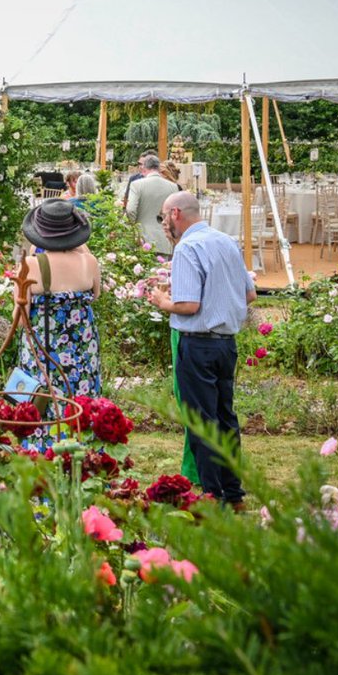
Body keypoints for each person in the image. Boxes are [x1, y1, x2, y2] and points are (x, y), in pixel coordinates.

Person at [147, 191, 257, 509]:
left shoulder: (187, 247)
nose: (164, 223)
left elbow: (188, 305)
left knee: (201, 423)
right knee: (225, 418)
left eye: (163, 216)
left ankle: (212, 496)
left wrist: (162, 301)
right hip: (226, 344)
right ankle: (233, 494)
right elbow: (249, 295)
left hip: (197, 344)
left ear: (176, 214)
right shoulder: (226, 241)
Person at [15, 199, 102, 397]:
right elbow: (95, 295)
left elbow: (20, 319)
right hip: (83, 348)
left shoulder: (31, 265)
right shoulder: (89, 262)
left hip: (44, 349)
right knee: (81, 400)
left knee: (43, 401)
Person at [126, 154, 176, 254]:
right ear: (158, 167)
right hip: (164, 239)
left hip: (142, 238)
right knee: (163, 264)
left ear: (144, 167)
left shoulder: (137, 185)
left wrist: (132, 227)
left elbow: (130, 210)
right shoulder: (173, 187)